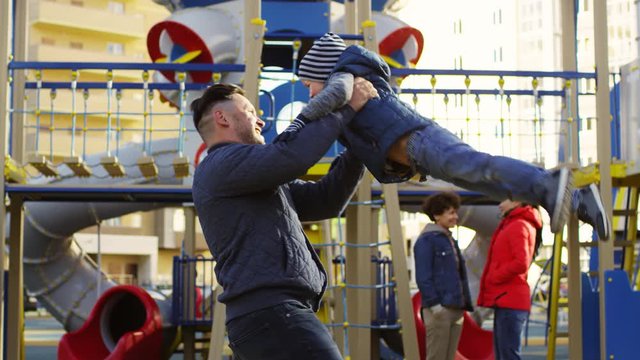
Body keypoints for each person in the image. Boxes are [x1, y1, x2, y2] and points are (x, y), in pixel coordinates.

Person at [276, 32, 609, 240]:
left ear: (323, 73)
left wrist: (295, 127)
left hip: (420, 140)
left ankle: (552, 183)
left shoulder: (346, 81)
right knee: (487, 184)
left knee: (482, 168)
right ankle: (579, 201)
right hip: (419, 151)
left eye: (308, 86)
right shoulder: (347, 92)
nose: (309, 95)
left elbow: (326, 99)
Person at [190, 80, 377, 359]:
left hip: (271, 315)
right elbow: (292, 155)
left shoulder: (252, 177)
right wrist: (347, 109)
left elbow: (327, 200)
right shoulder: (221, 164)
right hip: (273, 313)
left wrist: (357, 148)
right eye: (250, 111)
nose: (260, 121)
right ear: (222, 117)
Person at [477, 199, 543, 360]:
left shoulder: (518, 225)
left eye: (504, 200)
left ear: (518, 201)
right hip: (506, 299)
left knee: (507, 354)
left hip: (509, 299)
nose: (500, 204)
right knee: (503, 353)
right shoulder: (515, 224)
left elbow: (521, 262)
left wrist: (495, 276)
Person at [414, 192, 473, 360]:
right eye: (450, 212)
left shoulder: (449, 239)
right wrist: (435, 307)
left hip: (455, 309)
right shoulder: (427, 240)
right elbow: (423, 276)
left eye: (455, 212)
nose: (455, 216)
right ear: (437, 215)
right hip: (440, 310)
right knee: (436, 357)